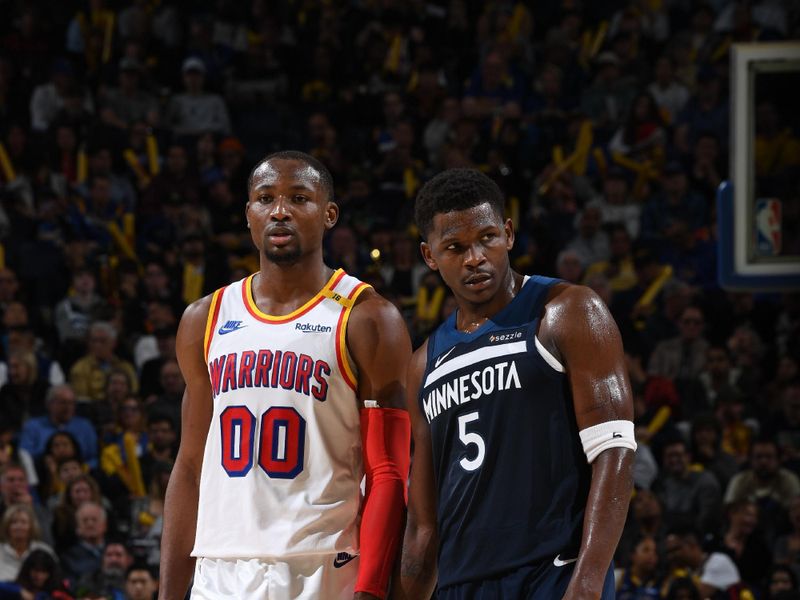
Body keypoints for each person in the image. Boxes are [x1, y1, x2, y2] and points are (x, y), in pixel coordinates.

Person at [159, 151, 412, 599]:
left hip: (321, 567)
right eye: (265, 198)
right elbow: (191, 466)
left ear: (329, 213)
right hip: (220, 568)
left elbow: (388, 471)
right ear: (249, 215)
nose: (280, 211)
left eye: (299, 198)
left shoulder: (368, 318)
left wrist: (371, 589)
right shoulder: (205, 318)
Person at [395, 169, 636, 599]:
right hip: (460, 584)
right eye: (454, 247)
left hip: (552, 574)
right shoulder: (423, 364)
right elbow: (423, 523)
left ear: (508, 233)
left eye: (486, 238)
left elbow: (614, 449)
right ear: (429, 256)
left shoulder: (568, 311)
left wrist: (588, 582)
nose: (474, 258)